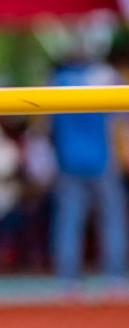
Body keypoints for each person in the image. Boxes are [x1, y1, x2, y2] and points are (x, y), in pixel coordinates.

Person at [48, 52, 128, 288]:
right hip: (101, 158)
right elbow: (122, 119)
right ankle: (114, 274)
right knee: (112, 216)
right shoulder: (106, 77)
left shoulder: (57, 81)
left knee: (69, 218)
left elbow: (48, 124)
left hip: (68, 159)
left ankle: (67, 276)